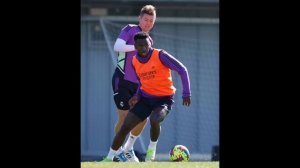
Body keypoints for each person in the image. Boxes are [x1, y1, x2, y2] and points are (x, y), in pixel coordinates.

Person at [102, 32, 191, 162]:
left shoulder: (160, 55)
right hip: (145, 99)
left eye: (146, 45)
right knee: (125, 127)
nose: (143, 48)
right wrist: (137, 96)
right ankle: (109, 159)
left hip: (164, 99)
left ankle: (151, 149)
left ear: (150, 43)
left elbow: (182, 70)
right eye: (139, 45)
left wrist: (186, 93)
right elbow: (141, 81)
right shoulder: (134, 61)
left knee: (155, 120)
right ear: (135, 47)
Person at [103, 5, 157, 162]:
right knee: (125, 117)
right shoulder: (130, 29)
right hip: (122, 81)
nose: (147, 23)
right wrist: (137, 46)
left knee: (144, 118)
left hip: (139, 86)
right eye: (145, 19)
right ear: (139, 18)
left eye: (151, 20)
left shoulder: (149, 41)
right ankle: (117, 151)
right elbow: (117, 46)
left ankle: (128, 148)